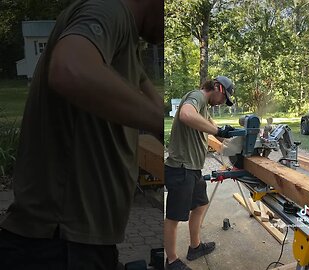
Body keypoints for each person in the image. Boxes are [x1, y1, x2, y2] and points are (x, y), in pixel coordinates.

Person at [0, 0, 164, 269]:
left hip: (78, 242)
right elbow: (70, 69)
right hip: (59, 246)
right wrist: (159, 123)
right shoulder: (108, 9)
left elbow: (149, 100)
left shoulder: (128, 39)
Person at [164, 76, 235, 270]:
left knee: (201, 205)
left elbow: (215, 130)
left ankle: (195, 247)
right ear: (217, 87)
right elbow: (186, 115)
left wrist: (232, 135)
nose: (222, 102)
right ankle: (171, 261)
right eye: (223, 97)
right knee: (174, 216)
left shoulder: (204, 108)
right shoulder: (197, 96)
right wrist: (217, 129)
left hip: (193, 169)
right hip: (181, 168)